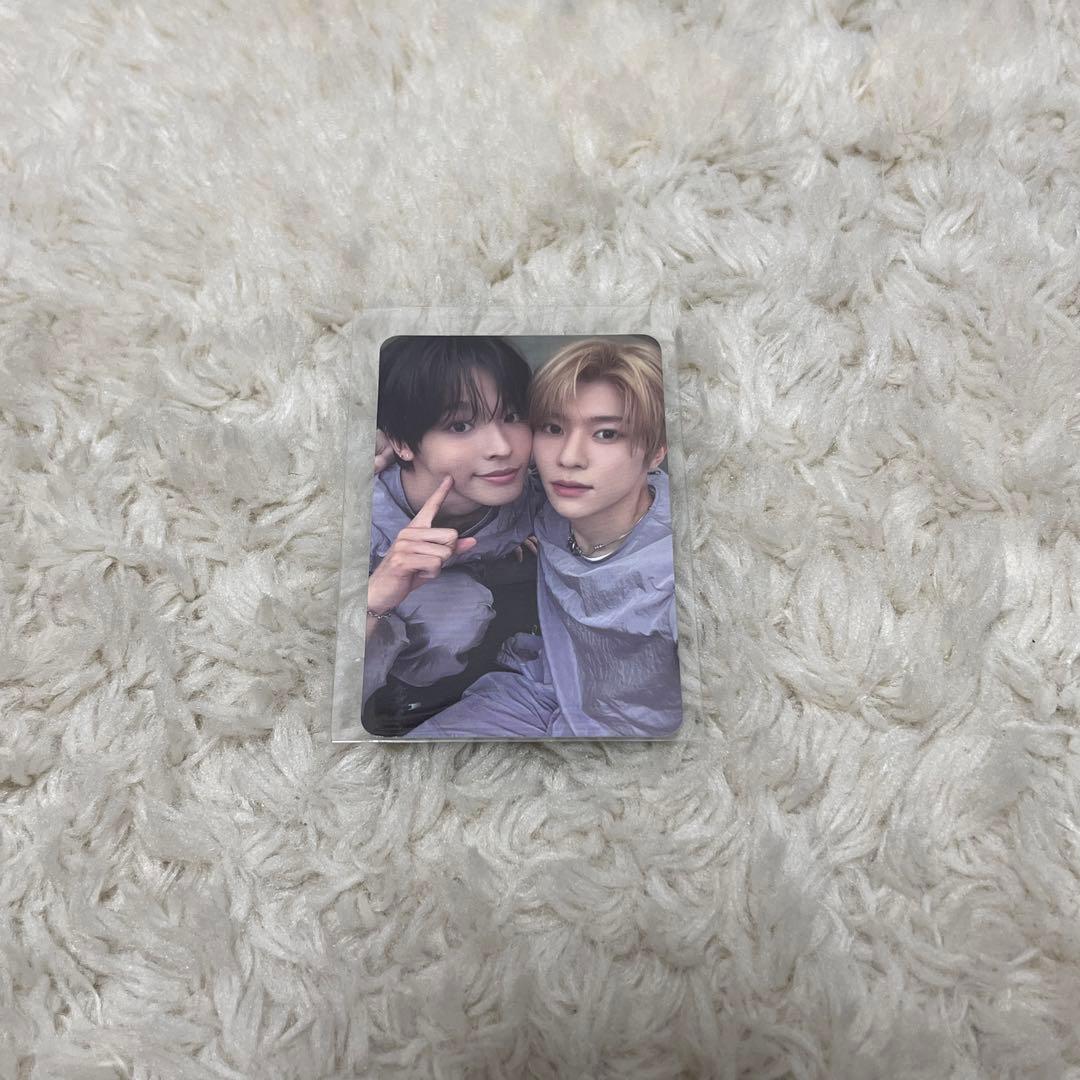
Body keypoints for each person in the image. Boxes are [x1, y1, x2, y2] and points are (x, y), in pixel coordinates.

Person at [409, 338, 682, 738]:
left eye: (606, 434)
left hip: (638, 734)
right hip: (542, 689)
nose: (569, 458)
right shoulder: (542, 503)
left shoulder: (679, 562)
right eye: (553, 428)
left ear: (656, 451)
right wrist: (389, 448)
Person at [359, 337, 541, 734]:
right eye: (460, 426)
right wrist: (375, 599)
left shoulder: (529, 495)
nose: (502, 448)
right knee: (458, 612)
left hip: (476, 588)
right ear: (402, 443)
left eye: (512, 415)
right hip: (384, 617)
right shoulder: (367, 518)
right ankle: (399, 690)